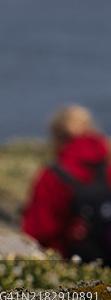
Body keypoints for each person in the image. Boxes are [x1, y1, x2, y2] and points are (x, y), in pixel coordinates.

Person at [22, 105, 111, 262]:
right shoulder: (107, 162)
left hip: (76, 266)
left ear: (56, 136)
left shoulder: (54, 176)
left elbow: (39, 231)